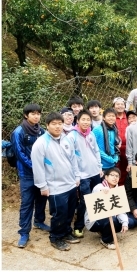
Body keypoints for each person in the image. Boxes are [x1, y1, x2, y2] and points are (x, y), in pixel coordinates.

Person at [31, 112, 81, 251]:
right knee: (59, 213)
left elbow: (73, 159)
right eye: (54, 124)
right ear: (47, 125)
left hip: (70, 183)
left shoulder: (67, 139)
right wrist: (42, 186)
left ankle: (66, 233)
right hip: (55, 187)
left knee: (70, 211)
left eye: (60, 123)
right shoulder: (40, 143)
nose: (57, 126)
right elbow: (38, 167)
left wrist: (77, 177)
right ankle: (56, 237)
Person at [13, 104, 48, 248]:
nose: (36, 116)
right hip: (27, 173)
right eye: (33, 113)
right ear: (26, 115)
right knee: (27, 202)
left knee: (42, 198)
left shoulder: (42, 131)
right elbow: (19, 154)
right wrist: (36, 167)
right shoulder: (18, 132)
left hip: (42, 173)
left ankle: (39, 221)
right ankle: (24, 232)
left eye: (38, 113)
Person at [66, 110, 103, 238]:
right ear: (78, 120)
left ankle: (96, 223)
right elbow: (70, 158)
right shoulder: (72, 136)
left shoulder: (91, 134)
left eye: (88, 120)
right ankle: (79, 226)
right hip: (83, 175)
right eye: (84, 119)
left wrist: (99, 167)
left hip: (95, 172)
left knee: (97, 199)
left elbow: (97, 151)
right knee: (85, 201)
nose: (86, 122)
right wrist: (77, 175)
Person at [84, 167, 129, 249]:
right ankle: (106, 240)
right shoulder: (99, 186)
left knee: (119, 224)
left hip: (108, 219)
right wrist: (103, 190)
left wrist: (125, 223)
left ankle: (104, 231)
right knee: (110, 220)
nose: (115, 178)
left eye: (117, 176)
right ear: (106, 177)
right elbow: (97, 191)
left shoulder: (118, 191)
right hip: (93, 221)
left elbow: (121, 210)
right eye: (112, 175)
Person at [93, 107, 121, 174]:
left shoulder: (115, 129)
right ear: (104, 118)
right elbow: (94, 148)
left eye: (113, 116)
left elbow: (115, 145)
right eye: (109, 116)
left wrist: (116, 157)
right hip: (101, 166)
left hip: (113, 164)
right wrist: (109, 159)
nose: (111, 118)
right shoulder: (97, 130)